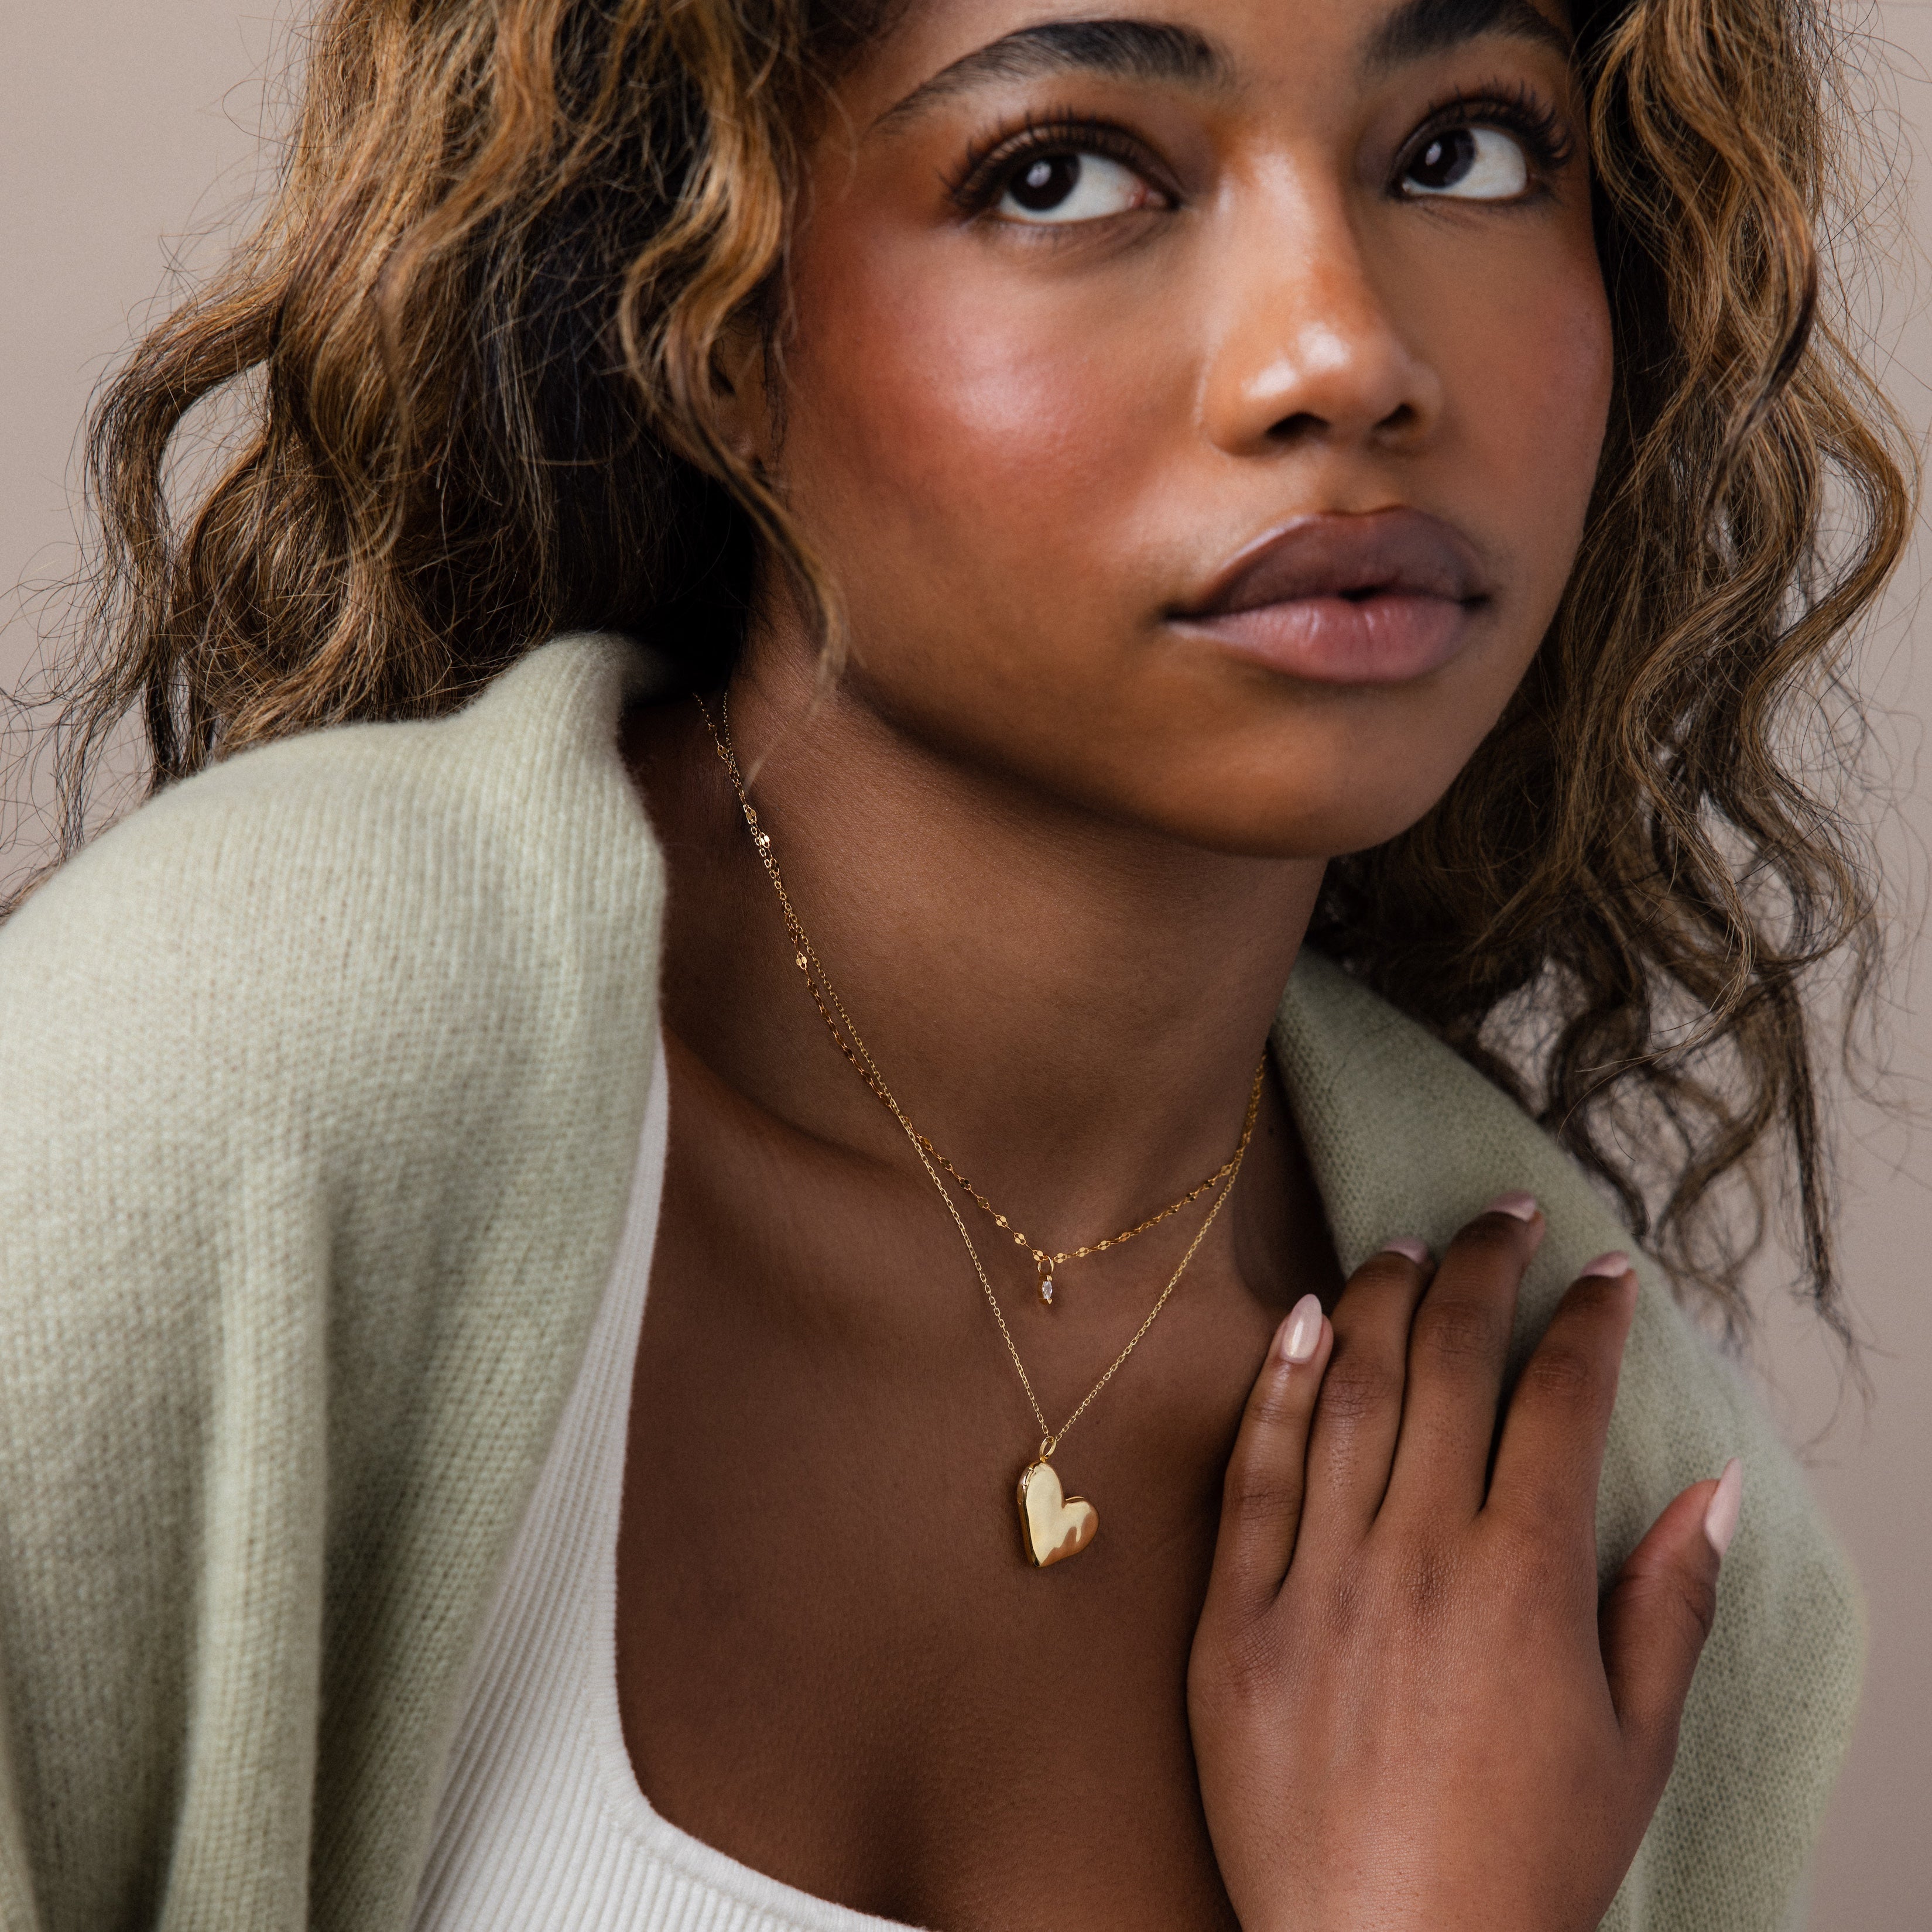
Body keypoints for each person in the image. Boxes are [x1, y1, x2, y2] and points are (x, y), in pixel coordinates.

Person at [0, 1, 1910, 1928]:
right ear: (720, 325)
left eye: (1463, 154)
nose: (1343, 354)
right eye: (1063, 174)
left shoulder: (1604, 1510)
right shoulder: (232, 1101)